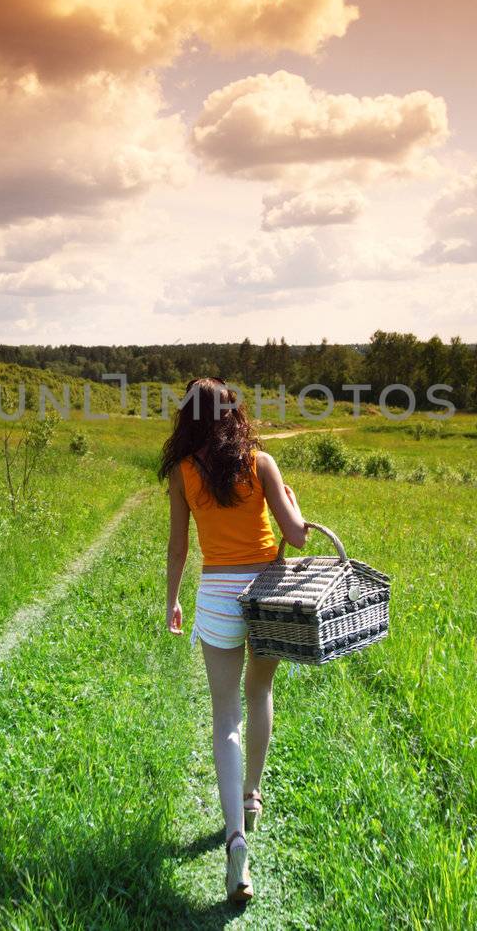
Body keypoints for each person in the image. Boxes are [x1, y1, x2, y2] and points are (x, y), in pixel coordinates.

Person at [160, 378, 308, 905]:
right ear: (233, 411)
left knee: (225, 718)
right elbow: (295, 535)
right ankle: (252, 796)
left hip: (219, 592)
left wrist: (174, 598)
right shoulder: (261, 463)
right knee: (260, 692)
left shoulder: (183, 472)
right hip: (268, 588)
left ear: (190, 417)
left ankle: (234, 838)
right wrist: (288, 499)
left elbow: (179, 545)